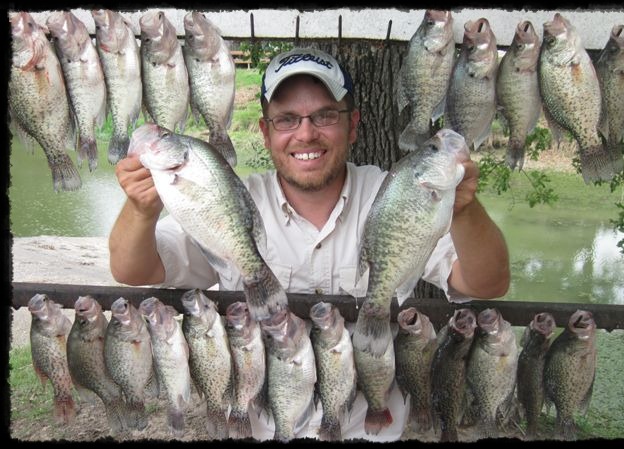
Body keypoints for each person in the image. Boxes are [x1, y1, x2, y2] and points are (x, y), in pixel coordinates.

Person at [109, 47, 510, 441]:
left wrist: (464, 210)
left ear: (353, 125)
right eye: (286, 119)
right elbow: (134, 270)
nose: (305, 133)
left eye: (324, 116)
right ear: (266, 133)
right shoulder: (227, 199)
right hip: (269, 430)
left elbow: (485, 284)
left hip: (373, 431)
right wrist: (141, 211)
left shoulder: (395, 197)